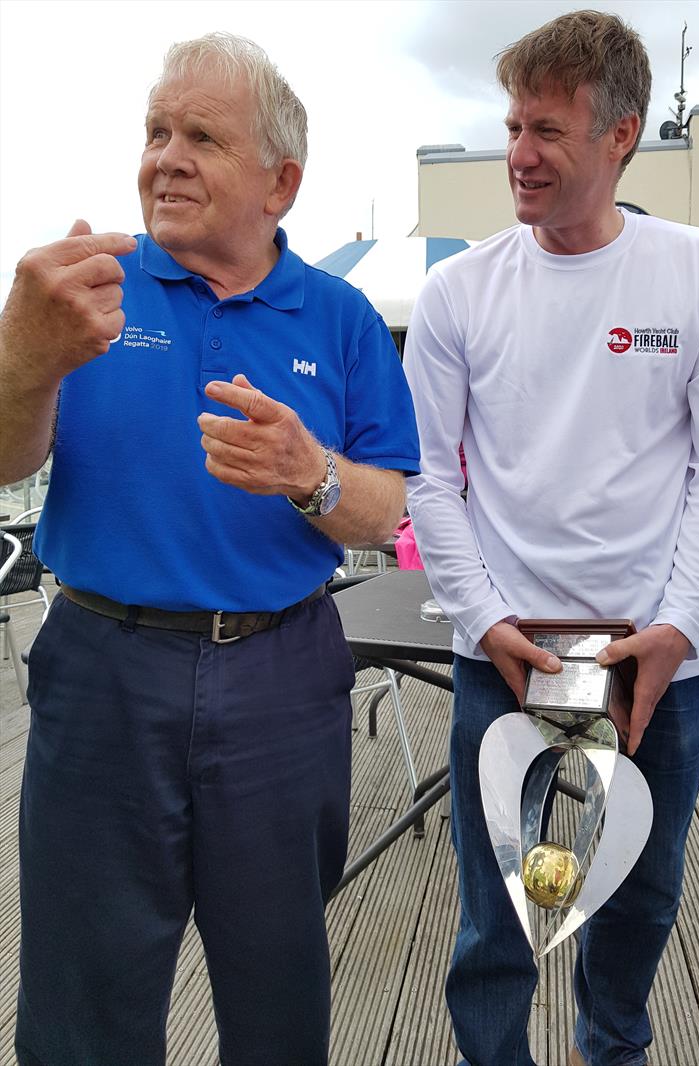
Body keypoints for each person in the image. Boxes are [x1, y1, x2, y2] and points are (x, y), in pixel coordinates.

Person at [0, 32, 419, 1066]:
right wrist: (26, 361)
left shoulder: (344, 316)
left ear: (280, 181)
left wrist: (307, 472)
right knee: (82, 1000)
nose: (165, 157)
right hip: (103, 672)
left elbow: (384, 511)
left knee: (276, 988)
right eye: (155, 132)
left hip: (282, 675)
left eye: (200, 136)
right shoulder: (80, 291)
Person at [402, 11, 699, 1066]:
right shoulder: (457, 290)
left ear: (620, 137)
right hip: (499, 655)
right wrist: (482, 618)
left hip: (656, 660)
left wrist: (672, 625)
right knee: (493, 915)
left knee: (640, 900)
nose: (517, 153)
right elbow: (429, 474)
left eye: (547, 131)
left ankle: (611, 1049)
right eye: (513, 124)